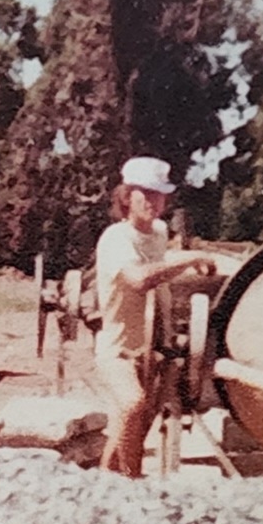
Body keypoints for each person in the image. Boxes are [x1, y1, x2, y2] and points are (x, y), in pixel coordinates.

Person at [94, 156, 227, 478]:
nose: (155, 202)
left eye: (161, 195)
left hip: (153, 350)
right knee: (132, 405)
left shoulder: (158, 233)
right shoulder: (116, 237)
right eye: (147, 194)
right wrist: (190, 258)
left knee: (133, 428)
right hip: (118, 350)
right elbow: (139, 279)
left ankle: (105, 484)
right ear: (128, 196)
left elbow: (161, 262)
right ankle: (131, 483)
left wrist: (186, 260)